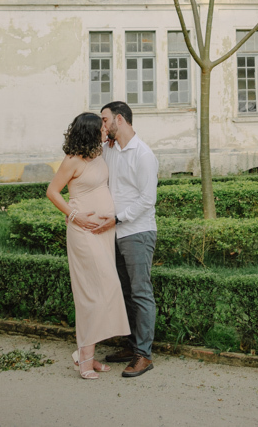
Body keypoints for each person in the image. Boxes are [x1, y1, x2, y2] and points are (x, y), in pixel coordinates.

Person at [46, 111, 130, 380]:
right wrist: (74, 215)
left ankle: (87, 355)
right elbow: (52, 191)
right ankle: (84, 359)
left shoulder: (100, 153)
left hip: (103, 232)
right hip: (83, 232)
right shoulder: (72, 161)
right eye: (101, 127)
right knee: (94, 293)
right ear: (90, 131)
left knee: (102, 292)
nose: (106, 130)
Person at [93, 101, 158, 378]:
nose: (102, 125)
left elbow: (148, 199)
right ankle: (132, 347)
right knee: (126, 293)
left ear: (120, 119)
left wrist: (118, 218)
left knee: (141, 293)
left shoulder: (143, 154)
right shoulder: (109, 150)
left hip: (137, 232)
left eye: (105, 120)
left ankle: (144, 355)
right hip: (114, 232)